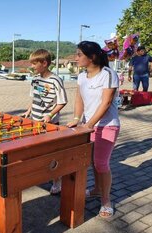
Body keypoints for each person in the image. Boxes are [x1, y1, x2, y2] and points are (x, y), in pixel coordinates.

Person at [67, 41, 120, 218]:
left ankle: (106, 200)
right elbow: (79, 99)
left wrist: (89, 125)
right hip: (88, 126)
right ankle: (97, 189)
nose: (76, 58)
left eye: (79, 55)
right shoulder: (82, 77)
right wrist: (77, 119)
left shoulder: (108, 74)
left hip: (107, 125)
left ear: (92, 57)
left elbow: (106, 103)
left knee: (101, 163)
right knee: (92, 162)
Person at [22, 49, 68, 195]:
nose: (32, 66)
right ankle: (41, 175)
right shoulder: (35, 79)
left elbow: (62, 102)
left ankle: (57, 181)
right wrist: (28, 111)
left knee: (51, 154)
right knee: (37, 151)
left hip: (50, 124)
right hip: (35, 122)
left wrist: (50, 114)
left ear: (44, 63)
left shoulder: (55, 80)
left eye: (35, 63)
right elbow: (34, 98)